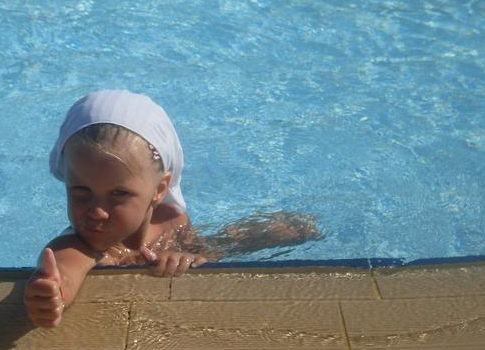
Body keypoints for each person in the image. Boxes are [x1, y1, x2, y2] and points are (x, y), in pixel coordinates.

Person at [24, 89, 320, 328]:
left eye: (119, 194)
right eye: (80, 192)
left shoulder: (171, 220)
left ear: (160, 189)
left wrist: (189, 259)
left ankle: (266, 230)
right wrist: (52, 293)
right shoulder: (78, 245)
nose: (97, 212)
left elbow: (200, 254)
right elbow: (64, 269)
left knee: (216, 247)